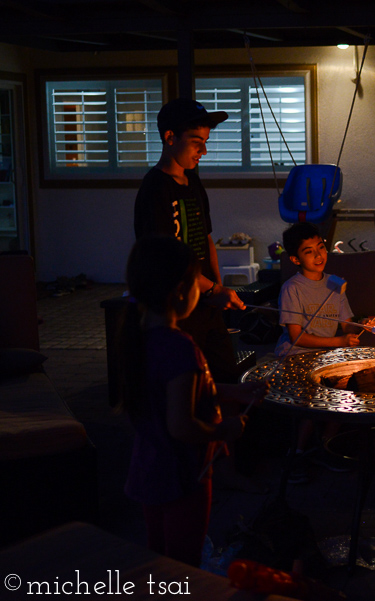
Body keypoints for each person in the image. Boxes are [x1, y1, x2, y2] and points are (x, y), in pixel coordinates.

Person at [116, 236, 268, 567]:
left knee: (158, 555)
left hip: (148, 468)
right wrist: (224, 429)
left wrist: (233, 391)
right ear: (181, 291)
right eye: (198, 283)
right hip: (183, 475)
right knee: (183, 563)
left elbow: (173, 395)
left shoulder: (138, 337)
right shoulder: (181, 347)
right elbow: (181, 424)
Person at [133, 97, 245, 384]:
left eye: (206, 142)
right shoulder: (155, 189)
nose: (203, 151)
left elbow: (206, 237)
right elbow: (164, 260)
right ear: (170, 137)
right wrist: (210, 291)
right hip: (177, 307)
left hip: (205, 302)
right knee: (187, 381)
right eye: (196, 141)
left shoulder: (192, 181)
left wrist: (217, 289)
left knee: (225, 376)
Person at [275, 222, 364, 483]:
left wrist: (361, 325)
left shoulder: (336, 284)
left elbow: (348, 322)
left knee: (349, 385)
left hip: (327, 354)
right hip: (296, 354)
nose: (318, 255)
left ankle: (326, 446)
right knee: (316, 392)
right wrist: (339, 340)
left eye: (321, 248)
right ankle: (298, 453)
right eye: (308, 251)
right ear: (294, 258)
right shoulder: (293, 288)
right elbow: (296, 336)